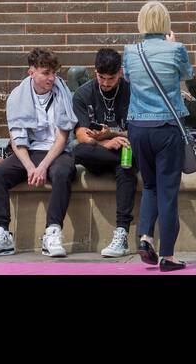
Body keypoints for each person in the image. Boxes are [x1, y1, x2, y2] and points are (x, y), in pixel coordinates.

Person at [0, 48, 77, 259]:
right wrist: (30, 167)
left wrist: (43, 166)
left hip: (57, 152)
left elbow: (62, 138)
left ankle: (52, 232)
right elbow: (16, 140)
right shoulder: (17, 96)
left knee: (62, 174)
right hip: (29, 152)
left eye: (54, 73)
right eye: (45, 73)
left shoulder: (63, 93)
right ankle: (2, 234)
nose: (51, 78)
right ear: (30, 72)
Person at [122, 1, 193, 272]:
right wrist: (172, 43)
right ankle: (168, 255)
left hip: (137, 128)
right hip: (167, 127)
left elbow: (128, 78)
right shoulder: (176, 50)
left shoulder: (130, 51)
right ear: (165, 22)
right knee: (168, 192)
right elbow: (188, 75)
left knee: (150, 186)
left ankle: (144, 237)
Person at [70, 46, 136, 258]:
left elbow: (138, 131)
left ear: (120, 73)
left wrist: (112, 134)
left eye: (111, 78)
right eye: (102, 77)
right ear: (94, 71)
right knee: (79, 151)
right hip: (98, 154)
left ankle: (122, 233)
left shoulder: (132, 91)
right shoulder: (83, 93)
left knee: (125, 166)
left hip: (125, 151)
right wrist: (106, 142)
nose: (106, 83)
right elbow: (81, 134)